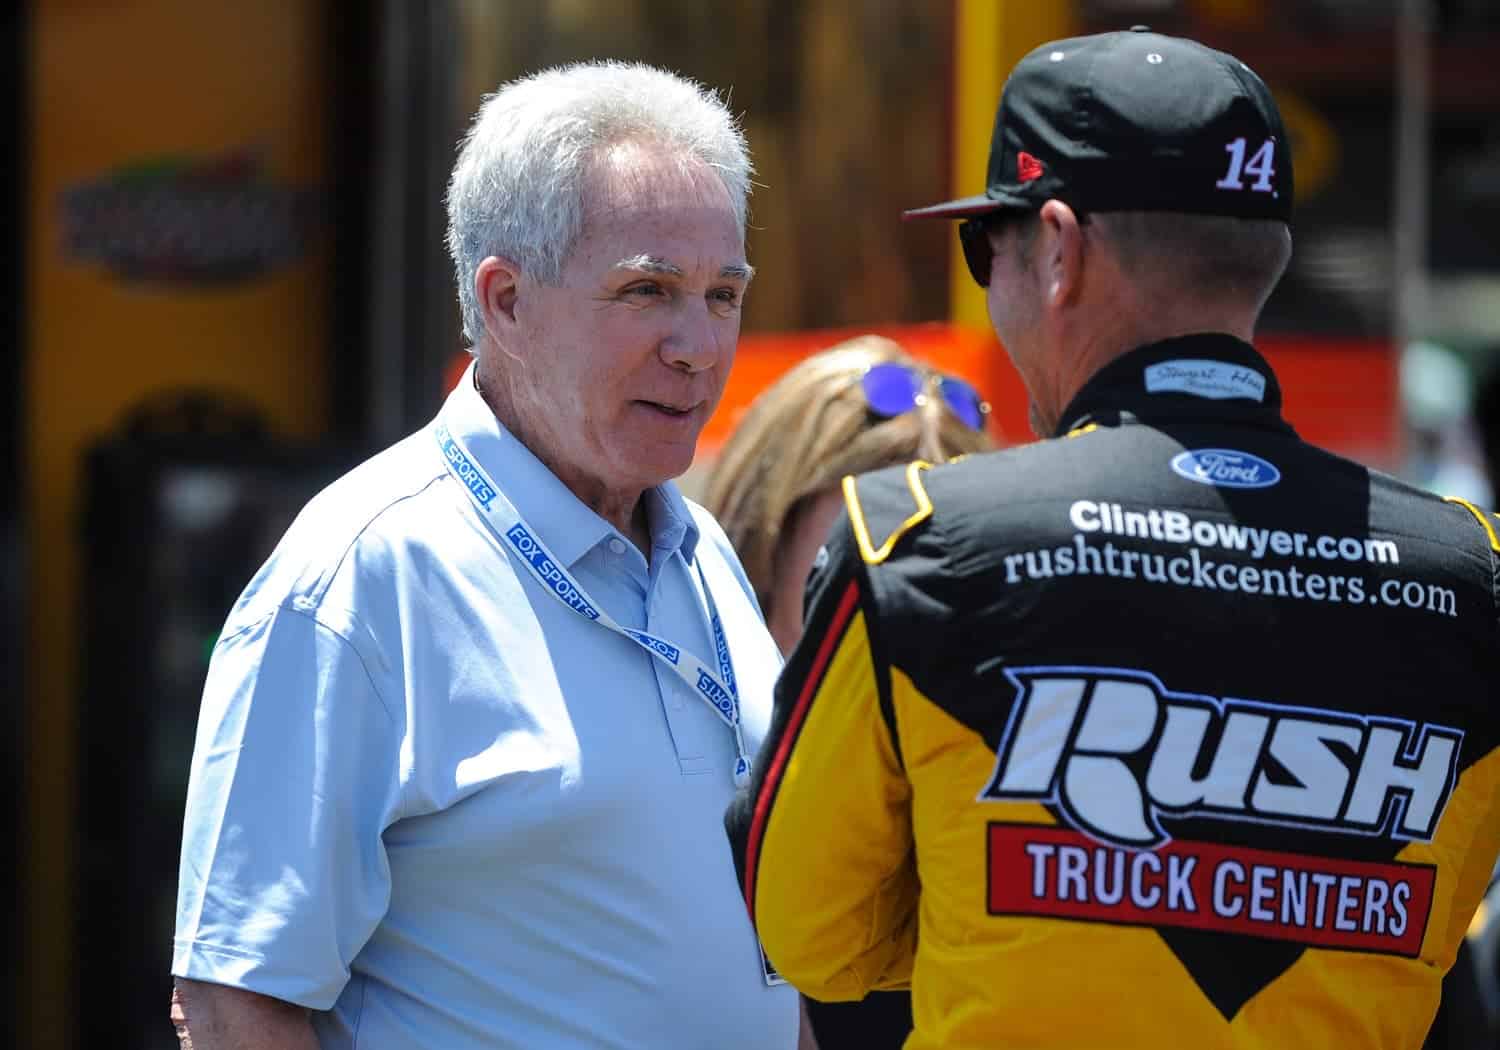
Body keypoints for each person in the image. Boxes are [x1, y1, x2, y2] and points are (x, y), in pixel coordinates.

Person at [726, 26, 1500, 1049]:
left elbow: (807, 934)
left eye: (987, 246)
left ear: (1057, 248)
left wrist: (1018, 904)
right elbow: (1445, 934)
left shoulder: (920, 539)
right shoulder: (1472, 574)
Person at [170, 61, 802, 1049]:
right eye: (649, 290)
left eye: (723, 295)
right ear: (504, 302)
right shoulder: (361, 577)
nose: (698, 345)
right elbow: (235, 1000)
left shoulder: (700, 547)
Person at [703, 334, 994, 1047]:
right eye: (853, 585)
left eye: (937, 591)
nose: (889, 629)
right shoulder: (670, 774)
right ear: (759, 552)